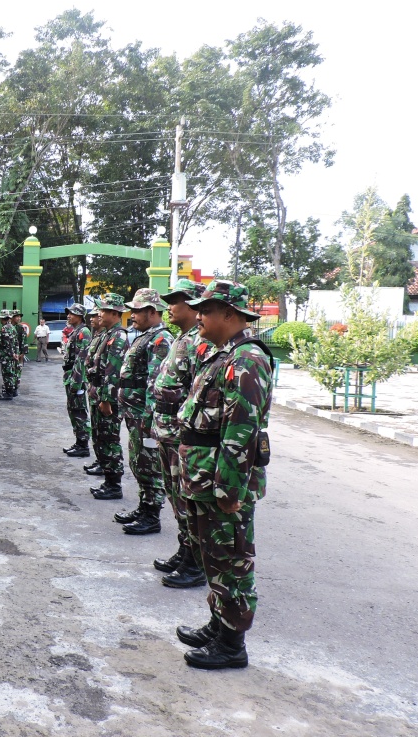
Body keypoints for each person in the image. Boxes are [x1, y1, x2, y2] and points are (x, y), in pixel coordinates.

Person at [175, 279, 273, 670]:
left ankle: (232, 645)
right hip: (203, 477)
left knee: (232, 559)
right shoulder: (224, 355)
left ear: (229, 315)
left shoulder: (247, 359)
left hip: (222, 483)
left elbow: (241, 431)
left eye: (207, 310)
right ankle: (219, 625)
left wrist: (228, 488)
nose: (198, 316)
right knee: (212, 555)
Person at [151, 279, 210, 588]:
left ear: (192, 306)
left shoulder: (202, 344)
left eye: (176, 301)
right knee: (176, 498)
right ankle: (184, 549)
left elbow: (199, 392)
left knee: (187, 500)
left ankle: (195, 562)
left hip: (181, 434)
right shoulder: (182, 338)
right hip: (168, 431)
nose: (170, 307)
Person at [114, 288, 174, 535]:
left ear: (152, 311)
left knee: (149, 465)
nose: (133, 315)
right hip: (134, 413)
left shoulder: (161, 339)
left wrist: (150, 419)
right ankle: (143, 506)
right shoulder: (144, 335)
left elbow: (155, 382)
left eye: (137, 310)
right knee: (138, 462)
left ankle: (152, 515)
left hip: (144, 416)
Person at [83, 294, 129, 500]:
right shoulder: (106, 334)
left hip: (106, 398)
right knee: (101, 437)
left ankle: (114, 485)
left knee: (110, 439)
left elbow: (113, 371)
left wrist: (106, 400)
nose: (99, 314)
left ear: (115, 313)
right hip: (98, 394)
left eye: (103, 310)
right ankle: (107, 478)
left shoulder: (118, 336)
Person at [61, 303, 92, 457]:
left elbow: (82, 359)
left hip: (76, 379)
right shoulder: (76, 331)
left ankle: (83, 445)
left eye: (72, 313)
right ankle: (79, 442)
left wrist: (76, 382)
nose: (68, 316)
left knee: (79, 411)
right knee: (73, 410)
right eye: (68, 313)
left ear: (80, 316)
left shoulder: (84, 332)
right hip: (71, 376)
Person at [0, 310, 18, 400]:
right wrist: (15, 353)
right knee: (11, 373)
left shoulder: (4, 328)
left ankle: (8, 393)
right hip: (12, 355)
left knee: (7, 374)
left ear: (3, 319)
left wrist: (11, 354)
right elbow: (16, 342)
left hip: (7, 355)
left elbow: (7, 343)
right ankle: (12, 391)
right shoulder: (13, 328)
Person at [11, 310, 29, 394]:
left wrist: (23, 353)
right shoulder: (8, 327)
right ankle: (9, 385)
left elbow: (24, 340)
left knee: (18, 369)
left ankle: (15, 387)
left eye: (19, 316)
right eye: (17, 316)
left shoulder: (21, 328)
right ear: (12, 317)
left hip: (18, 353)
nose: (19, 318)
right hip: (10, 352)